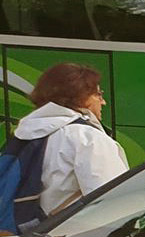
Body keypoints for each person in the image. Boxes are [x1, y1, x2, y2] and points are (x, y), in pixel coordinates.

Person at [5, 63, 129, 224]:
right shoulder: (86, 137)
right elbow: (111, 203)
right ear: (82, 97)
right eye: (98, 94)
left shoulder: (28, 134)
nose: (103, 102)